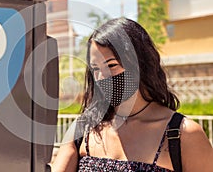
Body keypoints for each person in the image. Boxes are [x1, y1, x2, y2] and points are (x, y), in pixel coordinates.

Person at [51, 17, 213, 172]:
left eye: (112, 65)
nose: (101, 77)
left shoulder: (183, 135)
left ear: (140, 64)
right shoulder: (83, 129)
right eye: (96, 69)